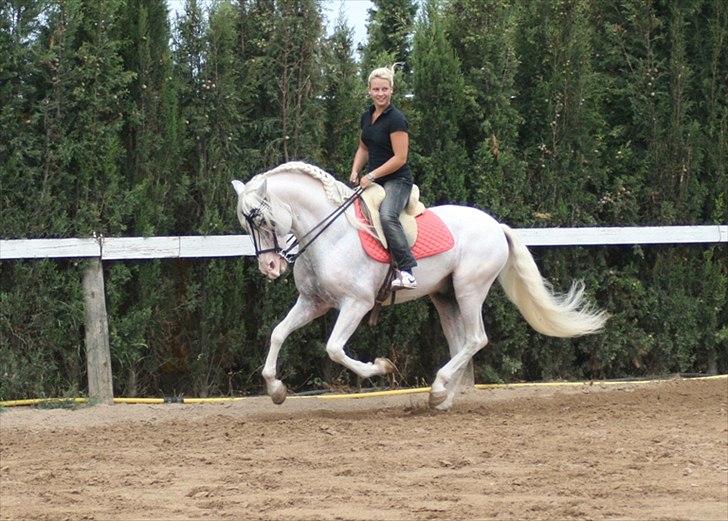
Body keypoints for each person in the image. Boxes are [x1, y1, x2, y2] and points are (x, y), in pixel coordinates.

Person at [349, 65, 418, 290]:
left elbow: (400, 158)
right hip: (374, 180)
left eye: (385, 89)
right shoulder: (366, 117)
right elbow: (363, 148)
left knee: (388, 216)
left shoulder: (396, 119)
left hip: (398, 180)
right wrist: (355, 170)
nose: (380, 94)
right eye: (376, 89)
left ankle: (407, 271)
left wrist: (371, 174)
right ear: (369, 90)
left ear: (392, 90)